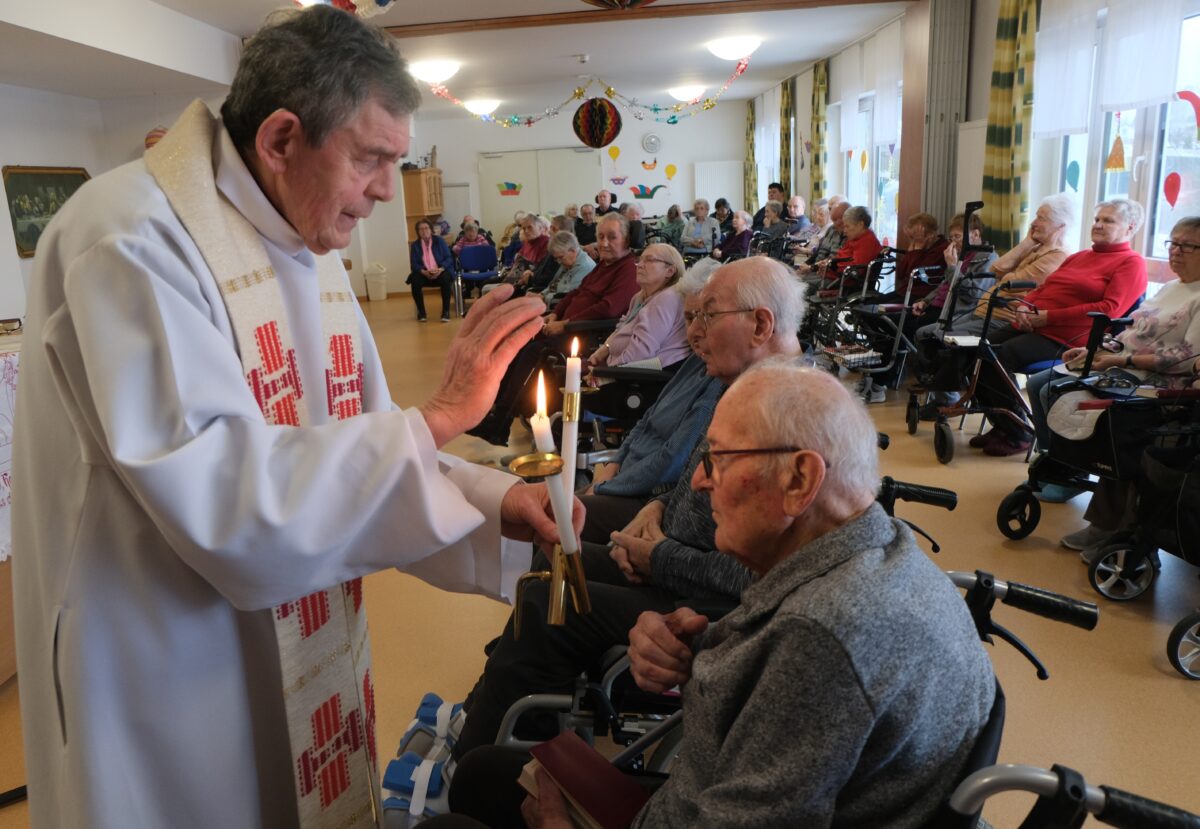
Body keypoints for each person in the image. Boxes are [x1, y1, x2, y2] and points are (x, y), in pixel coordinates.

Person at [10, 7, 576, 828]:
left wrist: (493, 501)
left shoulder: (301, 234)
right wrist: (446, 413)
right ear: (280, 140)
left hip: (274, 623)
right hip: (167, 648)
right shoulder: (132, 240)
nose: (388, 190)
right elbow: (231, 504)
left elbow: (354, 433)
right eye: (373, 159)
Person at [441, 363, 995, 829]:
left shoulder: (824, 638)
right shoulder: (877, 548)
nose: (701, 484)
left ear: (800, 479)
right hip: (704, 794)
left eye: (718, 461)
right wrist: (704, 644)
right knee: (486, 772)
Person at [452, 258, 806, 758]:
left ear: (761, 324)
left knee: (547, 598)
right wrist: (657, 511)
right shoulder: (745, 389)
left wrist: (655, 556)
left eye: (708, 316)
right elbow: (692, 484)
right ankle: (507, 696)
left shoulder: (787, 417)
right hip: (676, 558)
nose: (694, 331)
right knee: (555, 552)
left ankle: (488, 751)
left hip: (707, 607)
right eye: (692, 316)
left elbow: (760, 577)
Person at [1029, 216, 1200, 527]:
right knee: (1044, 382)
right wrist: (1097, 349)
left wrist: (1120, 362)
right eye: (1172, 243)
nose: (1175, 251)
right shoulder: (1171, 286)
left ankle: (1073, 468)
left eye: (1186, 246)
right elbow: (1134, 331)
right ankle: (1063, 461)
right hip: (1122, 362)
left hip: (1155, 380)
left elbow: (1186, 358)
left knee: (1063, 395)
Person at [971, 199, 1148, 456]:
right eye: (1097, 219)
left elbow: (1111, 308)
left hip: (1070, 337)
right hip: (1037, 324)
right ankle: (1003, 425)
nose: (1098, 225)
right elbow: (1042, 288)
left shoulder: (1131, 263)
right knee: (978, 351)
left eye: (1108, 221)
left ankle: (1017, 433)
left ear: (1130, 228)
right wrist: (1024, 307)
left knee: (997, 357)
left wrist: (1048, 317)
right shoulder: (1079, 256)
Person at [467, 214, 638, 446]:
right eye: (601, 237)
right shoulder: (603, 266)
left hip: (589, 336)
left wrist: (566, 324)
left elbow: (609, 308)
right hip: (568, 326)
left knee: (533, 352)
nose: (604, 243)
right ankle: (495, 411)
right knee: (517, 342)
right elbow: (576, 293)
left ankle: (502, 420)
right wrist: (556, 313)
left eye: (612, 237)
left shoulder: (627, 269)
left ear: (627, 239)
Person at [586, 243, 690, 373]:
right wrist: (603, 351)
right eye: (640, 260)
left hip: (643, 379)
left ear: (669, 270)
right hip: (619, 370)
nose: (639, 265)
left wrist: (604, 374)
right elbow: (622, 328)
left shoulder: (668, 298)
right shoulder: (639, 297)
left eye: (649, 260)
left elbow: (640, 353)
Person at [409, 217, 455, 322]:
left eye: (426, 228)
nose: (424, 231)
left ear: (431, 229)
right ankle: (421, 312)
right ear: (418, 232)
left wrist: (440, 269)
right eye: (421, 229)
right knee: (414, 280)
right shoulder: (415, 245)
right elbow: (414, 264)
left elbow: (449, 258)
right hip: (425, 273)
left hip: (440, 271)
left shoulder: (439, 241)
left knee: (445, 279)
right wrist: (423, 271)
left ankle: (445, 312)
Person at [532, 231, 594, 307]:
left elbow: (568, 297)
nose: (558, 262)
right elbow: (553, 284)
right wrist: (541, 294)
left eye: (561, 257)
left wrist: (543, 298)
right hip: (551, 303)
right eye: (556, 258)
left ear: (572, 251)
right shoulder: (569, 261)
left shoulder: (584, 267)